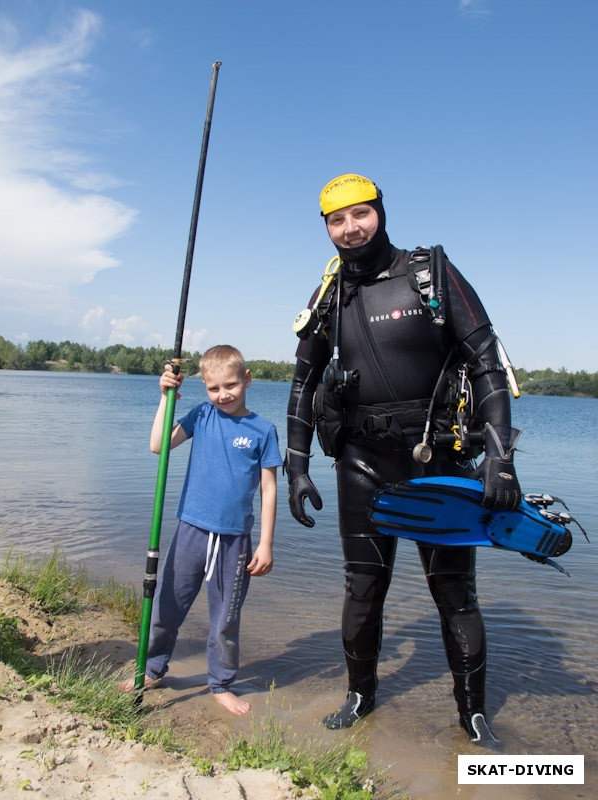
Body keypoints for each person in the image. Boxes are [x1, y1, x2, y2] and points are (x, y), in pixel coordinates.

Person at [285, 174, 521, 744]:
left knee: (455, 593)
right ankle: (361, 697)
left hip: (437, 463)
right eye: (336, 221)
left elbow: (486, 359)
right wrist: (295, 463)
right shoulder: (330, 294)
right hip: (361, 465)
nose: (350, 228)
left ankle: (473, 715)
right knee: (362, 588)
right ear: (326, 228)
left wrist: (501, 456)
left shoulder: (430, 274)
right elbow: (303, 379)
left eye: (360, 214)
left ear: (380, 213)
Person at [123, 344, 283, 715]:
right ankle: (151, 669)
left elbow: (269, 488)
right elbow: (157, 445)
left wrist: (267, 543)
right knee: (166, 608)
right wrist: (167, 397)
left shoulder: (263, 430)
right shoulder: (201, 415)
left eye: (231, 385)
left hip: (235, 541)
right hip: (191, 531)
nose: (223, 394)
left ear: (247, 380)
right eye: (214, 388)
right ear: (204, 387)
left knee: (225, 619)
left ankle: (220, 683)